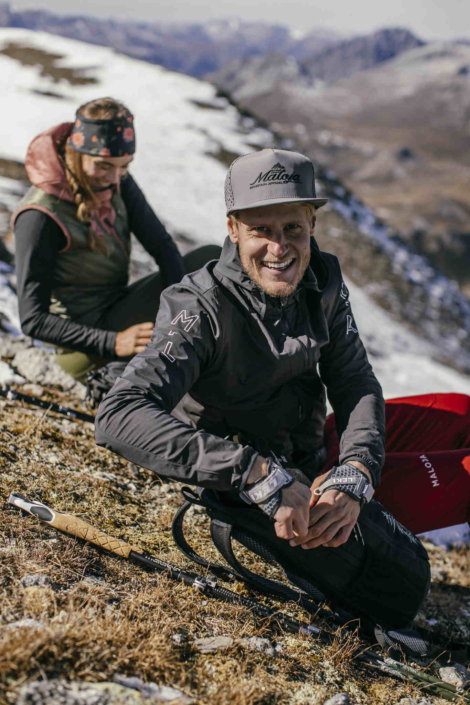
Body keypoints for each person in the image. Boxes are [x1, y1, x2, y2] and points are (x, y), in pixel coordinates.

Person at [94, 148, 470, 629]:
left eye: (292, 227)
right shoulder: (200, 308)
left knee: (460, 409)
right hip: (283, 490)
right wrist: (255, 473)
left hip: (316, 449)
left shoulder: (323, 280)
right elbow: (119, 415)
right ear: (233, 229)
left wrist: (357, 467)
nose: (279, 247)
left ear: (312, 223)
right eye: (261, 230)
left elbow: (353, 379)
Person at [13, 97, 221, 382]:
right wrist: (114, 342)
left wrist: (178, 308)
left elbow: (162, 246)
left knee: (210, 260)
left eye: (124, 166)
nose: (114, 178)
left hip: (118, 309)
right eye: (103, 166)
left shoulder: (118, 181)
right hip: (82, 348)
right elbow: (32, 320)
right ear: (77, 153)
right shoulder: (40, 216)